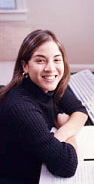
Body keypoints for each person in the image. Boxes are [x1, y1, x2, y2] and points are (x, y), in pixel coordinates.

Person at [0, 30, 88, 184]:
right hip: (18, 175)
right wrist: (69, 134)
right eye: (40, 61)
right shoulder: (21, 107)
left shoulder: (51, 85)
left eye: (56, 60)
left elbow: (80, 111)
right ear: (25, 66)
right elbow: (66, 166)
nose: (51, 69)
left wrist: (59, 135)